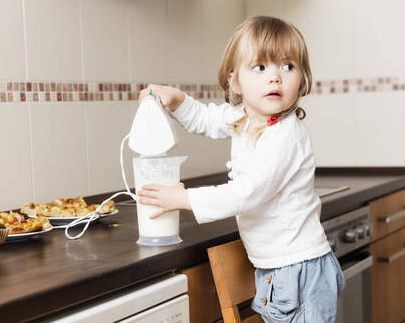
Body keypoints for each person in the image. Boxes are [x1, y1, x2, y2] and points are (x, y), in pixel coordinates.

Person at [137, 16, 345, 323]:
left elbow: (247, 193)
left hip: (299, 271)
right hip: (280, 268)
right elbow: (205, 120)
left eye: (288, 66)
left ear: (302, 79)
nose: (275, 77)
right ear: (235, 81)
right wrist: (177, 99)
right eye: (260, 67)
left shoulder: (284, 136)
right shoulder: (245, 118)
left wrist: (184, 199)